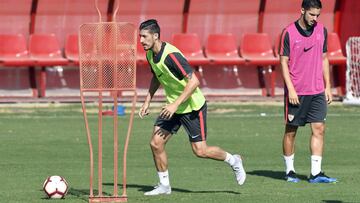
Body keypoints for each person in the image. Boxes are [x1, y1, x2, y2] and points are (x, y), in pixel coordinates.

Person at [138, 19, 246, 195]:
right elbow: (157, 76)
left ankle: (234, 160)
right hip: (173, 108)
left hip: (193, 107)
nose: (141, 40)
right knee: (156, 144)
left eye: (144, 36)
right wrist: (147, 100)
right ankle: (164, 186)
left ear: (155, 36)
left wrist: (175, 104)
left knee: (200, 151)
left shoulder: (171, 55)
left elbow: (194, 81)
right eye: (140, 36)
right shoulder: (150, 54)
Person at [279, 0, 337, 183]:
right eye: (312, 14)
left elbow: (325, 58)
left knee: (319, 129)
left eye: (317, 15)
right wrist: (291, 90)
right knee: (291, 131)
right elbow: (283, 62)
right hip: (297, 91)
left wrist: (327, 86)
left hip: (317, 90)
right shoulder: (288, 32)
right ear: (302, 10)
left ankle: (316, 173)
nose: (315, 18)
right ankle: (289, 171)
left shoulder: (322, 31)